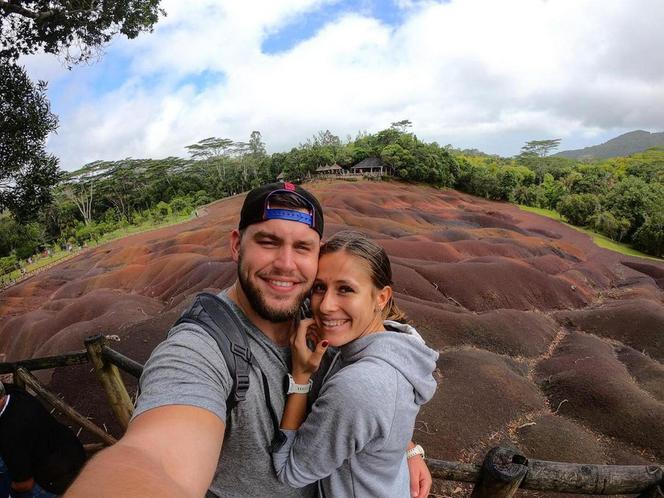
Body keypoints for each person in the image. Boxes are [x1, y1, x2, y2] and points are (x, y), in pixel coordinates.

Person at [66, 182, 432, 498]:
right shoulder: (201, 349)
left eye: (303, 248)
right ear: (236, 244)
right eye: (268, 242)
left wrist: (406, 449)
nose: (286, 264)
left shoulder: (320, 313)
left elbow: (376, 391)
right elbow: (152, 457)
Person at [272, 230, 439, 496]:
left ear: (381, 298)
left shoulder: (357, 386)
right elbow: (384, 416)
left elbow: (290, 471)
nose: (325, 306)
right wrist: (407, 448)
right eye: (319, 288)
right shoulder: (400, 342)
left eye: (345, 289)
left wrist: (301, 377)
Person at [0, 383, 87, 497]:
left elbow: (25, 484)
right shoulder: (15, 392)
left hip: (54, 480)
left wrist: (10, 487)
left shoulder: (8, 434)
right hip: (71, 451)